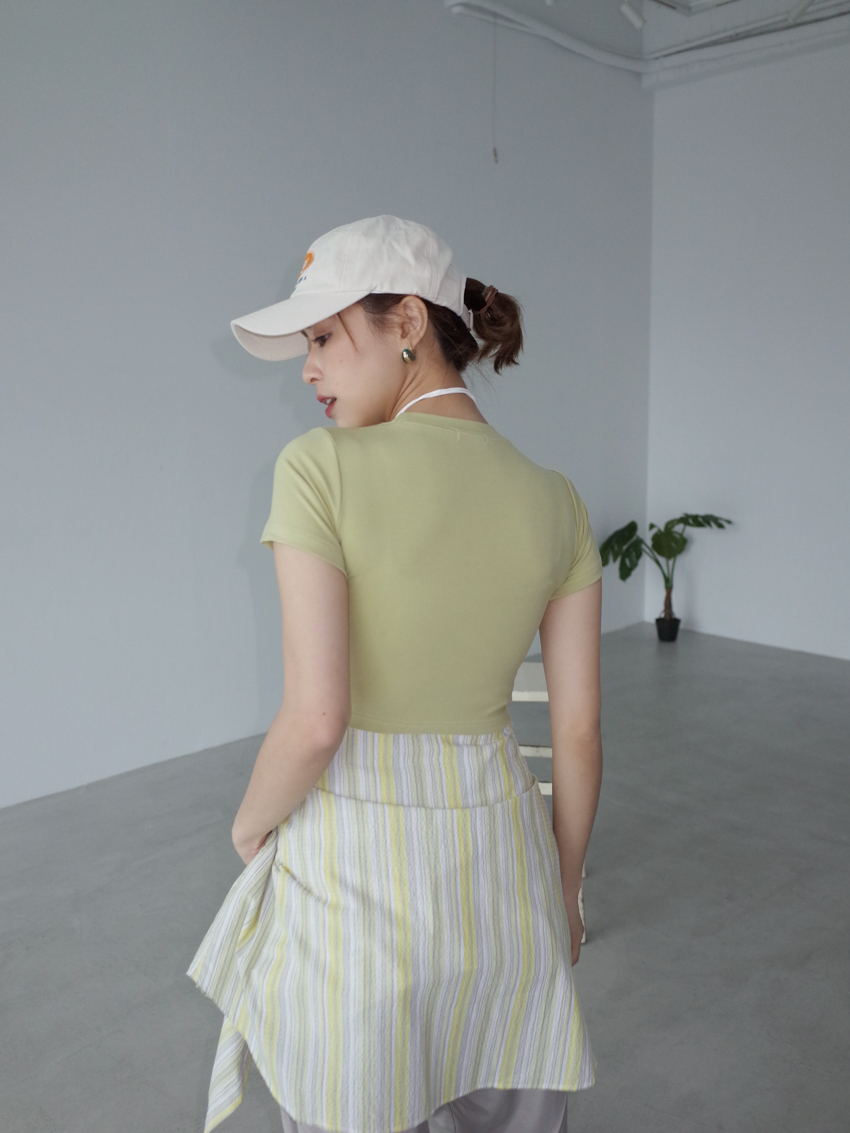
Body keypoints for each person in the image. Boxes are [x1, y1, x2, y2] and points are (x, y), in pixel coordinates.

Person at [188, 215, 603, 1133]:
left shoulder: (318, 469)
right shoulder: (558, 500)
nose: (308, 369)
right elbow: (576, 732)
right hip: (506, 883)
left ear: (408, 321)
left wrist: (251, 824)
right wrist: (566, 893)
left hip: (357, 885)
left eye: (323, 337)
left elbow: (317, 718)